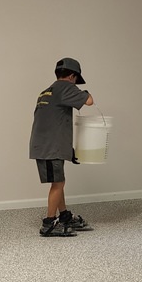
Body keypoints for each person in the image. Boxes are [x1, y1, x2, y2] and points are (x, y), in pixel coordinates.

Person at [29, 57, 94, 237]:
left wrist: (66, 148)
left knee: (58, 181)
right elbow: (89, 101)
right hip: (50, 147)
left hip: (46, 144)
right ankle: (49, 224)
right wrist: (83, 91)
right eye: (76, 80)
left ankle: (64, 216)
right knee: (59, 183)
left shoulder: (46, 92)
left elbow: (52, 121)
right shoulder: (66, 88)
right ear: (72, 76)